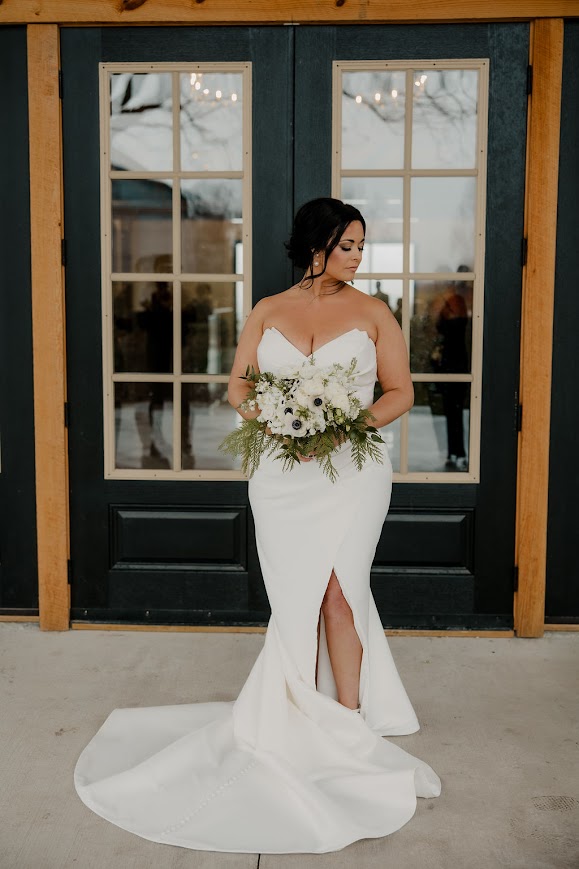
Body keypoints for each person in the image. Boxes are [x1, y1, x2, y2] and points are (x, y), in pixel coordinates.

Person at [73, 197, 441, 854]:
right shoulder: (268, 309)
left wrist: (343, 428)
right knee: (296, 595)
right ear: (315, 244)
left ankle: (346, 723)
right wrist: (276, 420)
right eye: (348, 244)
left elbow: (400, 392)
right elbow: (239, 388)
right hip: (279, 474)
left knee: (339, 589)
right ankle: (292, 711)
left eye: (361, 244)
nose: (358, 255)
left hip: (352, 472)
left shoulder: (373, 311)